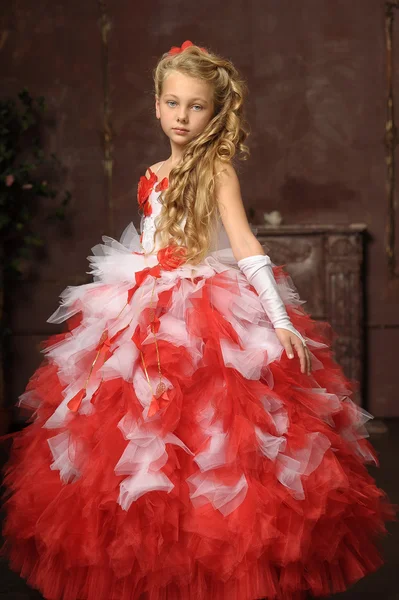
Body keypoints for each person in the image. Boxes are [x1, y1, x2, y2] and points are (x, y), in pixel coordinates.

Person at [0, 40, 395, 600]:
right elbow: (154, 238)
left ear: (215, 111)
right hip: (147, 305)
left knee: (213, 437)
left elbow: (247, 248)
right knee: (141, 435)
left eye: (197, 106)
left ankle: (215, 564)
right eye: (173, 103)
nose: (183, 116)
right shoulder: (152, 174)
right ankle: (156, 565)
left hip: (206, 309)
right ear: (157, 105)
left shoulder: (218, 172)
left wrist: (280, 319)